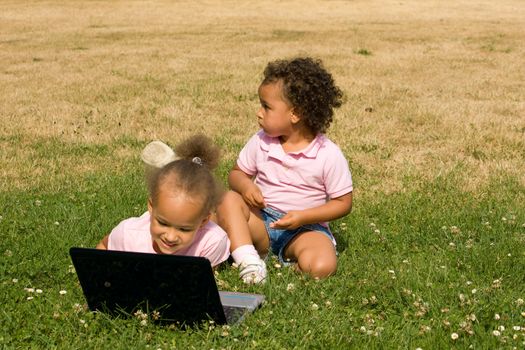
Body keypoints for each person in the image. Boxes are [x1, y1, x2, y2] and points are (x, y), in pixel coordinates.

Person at [216, 57, 353, 283]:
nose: (259, 113)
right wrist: (246, 185)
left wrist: (303, 217)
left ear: (295, 113)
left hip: (305, 229)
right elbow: (236, 173)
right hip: (262, 220)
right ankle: (248, 260)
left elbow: (343, 203)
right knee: (228, 199)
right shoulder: (262, 141)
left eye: (267, 107)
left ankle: (286, 267)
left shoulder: (327, 154)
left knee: (322, 266)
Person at [96, 135, 230, 267]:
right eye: (163, 223)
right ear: (151, 206)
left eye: (184, 229)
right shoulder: (128, 234)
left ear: (203, 221)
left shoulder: (212, 242)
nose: (170, 237)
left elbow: (202, 283)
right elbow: (103, 247)